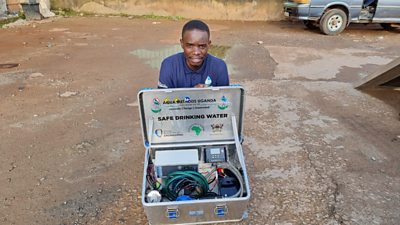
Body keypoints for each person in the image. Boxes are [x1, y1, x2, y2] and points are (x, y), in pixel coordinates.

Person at [158, 20, 229, 88]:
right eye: (190, 46)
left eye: (202, 46)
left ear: (209, 45)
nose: (196, 52)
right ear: (182, 44)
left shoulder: (219, 67)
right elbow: (162, 98)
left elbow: (225, 98)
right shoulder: (169, 65)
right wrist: (194, 94)